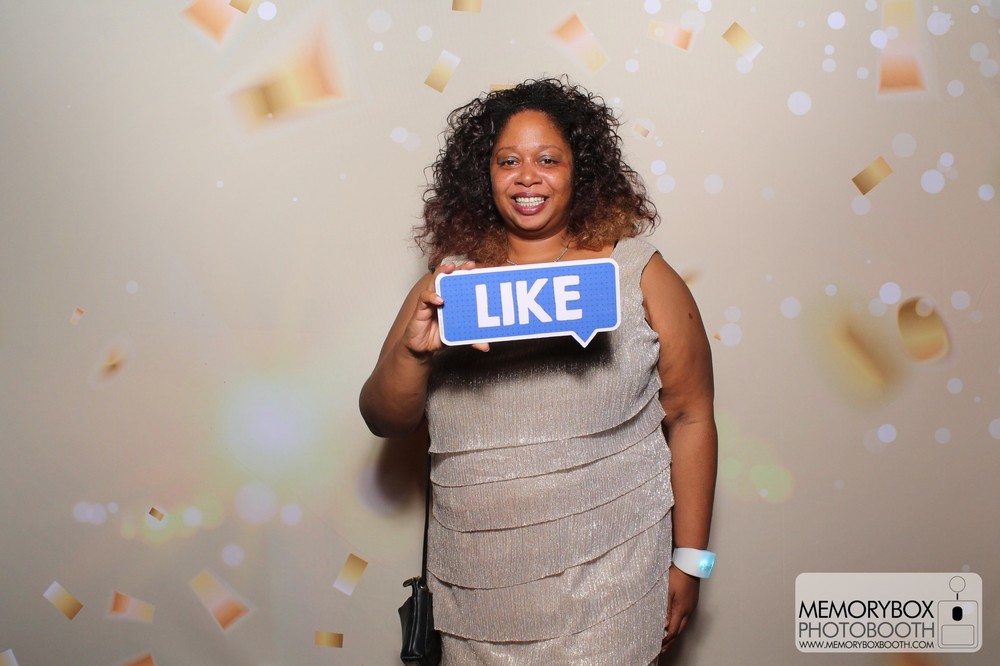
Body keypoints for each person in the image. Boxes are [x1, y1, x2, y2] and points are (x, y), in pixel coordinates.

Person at [360, 77, 717, 664]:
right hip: (475, 595)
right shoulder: (450, 286)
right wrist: (414, 352)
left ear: (581, 172)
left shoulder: (640, 274)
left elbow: (691, 416)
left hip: (612, 588)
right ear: (485, 176)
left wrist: (692, 561)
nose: (527, 177)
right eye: (509, 161)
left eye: (548, 159)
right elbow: (385, 420)